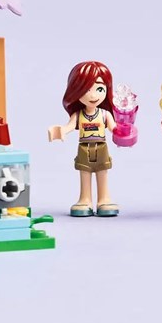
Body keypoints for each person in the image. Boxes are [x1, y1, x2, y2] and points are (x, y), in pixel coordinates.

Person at [48, 61, 119, 217]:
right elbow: (69, 126)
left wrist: (124, 130)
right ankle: (85, 200)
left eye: (99, 89)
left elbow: (114, 128)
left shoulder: (104, 114)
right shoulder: (79, 115)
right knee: (84, 174)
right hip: (84, 148)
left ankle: (104, 199)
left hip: (101, 147)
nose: (93, 96)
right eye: (86, 90)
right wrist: (61, 131)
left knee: (102, 173)